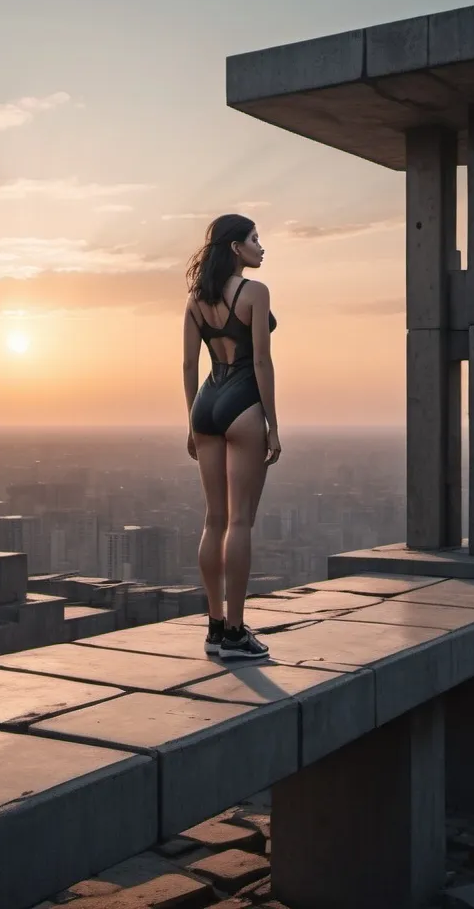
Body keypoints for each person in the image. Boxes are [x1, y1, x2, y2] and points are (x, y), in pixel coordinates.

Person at [183, 213, 280, 660]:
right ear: (236, 247)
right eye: (255, 239)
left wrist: (190, 421)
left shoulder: (195, 301)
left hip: (206, 402)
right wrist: (272, 425)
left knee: (213, 520)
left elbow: (187, 366)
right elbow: (261, 361)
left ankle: (215, 627)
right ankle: (238, 633)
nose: (262, 247)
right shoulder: (255, 292)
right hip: (243, 403)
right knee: (240, 521)